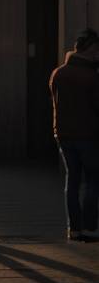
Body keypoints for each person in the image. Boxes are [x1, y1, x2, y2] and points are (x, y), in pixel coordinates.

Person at [49, 28, 99, 243]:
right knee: (93, 180)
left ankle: (74, 228)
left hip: (64, 134)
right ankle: (89, 228)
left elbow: (55, 103)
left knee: (73, 180)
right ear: (91, 50)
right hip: (88, 135)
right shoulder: (91, 77)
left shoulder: (58, 73)